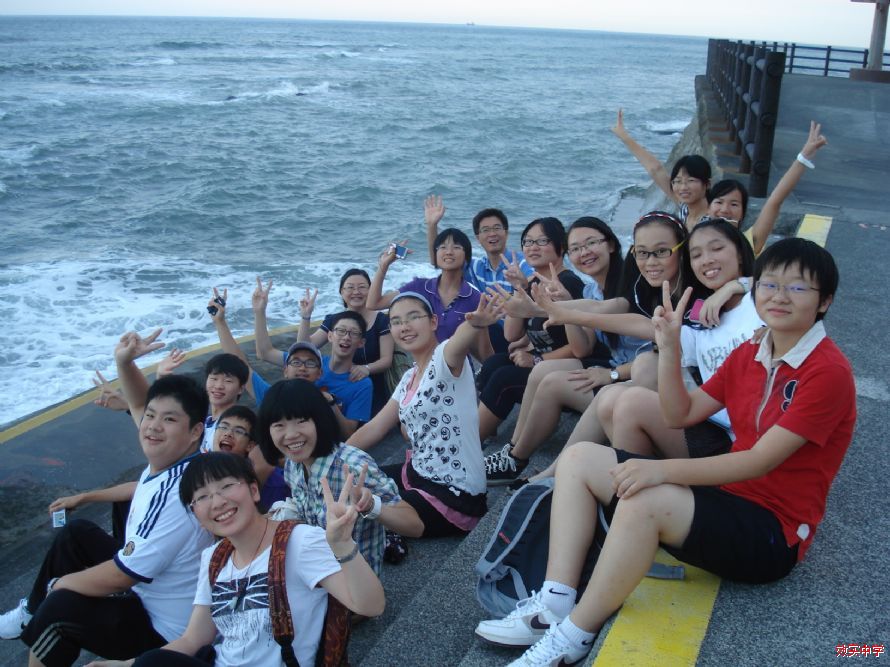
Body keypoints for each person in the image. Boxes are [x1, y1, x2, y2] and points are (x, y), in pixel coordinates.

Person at [473, 238, 855, 667]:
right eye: (769, 284)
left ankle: (574, 635)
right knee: (579, 459)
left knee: (644, 499)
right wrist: (670, 347)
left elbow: (759, 461)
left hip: (772, 533)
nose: (779, 296)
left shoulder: (827, 372)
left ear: (824, 301)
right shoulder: (754, 349)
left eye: (797, 287)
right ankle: (553, 603)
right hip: (727, 497)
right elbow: (680, 413)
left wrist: (660, 471)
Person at [0, 330, 214, 666]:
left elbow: (122, 576)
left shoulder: (178, 494)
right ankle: (31, 613)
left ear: (195, 432)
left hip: (164, 631)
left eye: (169, 419)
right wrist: (124, 362)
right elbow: (140, 404)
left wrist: (59, 585)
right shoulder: (181, 457)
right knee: (77, 534)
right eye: (152, 417)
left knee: (59, 608)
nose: (152, 426)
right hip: (150, 588)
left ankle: (40, 615)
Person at [85, 452, 386, 667]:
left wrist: (342, 544)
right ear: (196, 514)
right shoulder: (214, 558)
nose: (217, 502)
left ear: (254, 490)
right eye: (202, 497)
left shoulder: (299, 541)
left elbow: (371, 606)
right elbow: (194, 638)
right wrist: (128, 664)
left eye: (227, 486)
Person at [348, 292, 502, 537]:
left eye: (413, 317)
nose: (404, 327)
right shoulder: (409, 377)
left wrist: (474, 324)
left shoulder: (444, 359)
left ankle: (377, 510)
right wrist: (335, 457)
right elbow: (375, 427)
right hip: (418, 471)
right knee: (352, 481)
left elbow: (457, 343)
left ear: (433, 322)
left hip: (454, 490)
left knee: (367, 506)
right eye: (396, 321)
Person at [607, 218, 760, 459]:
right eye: (696, 255)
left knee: (629, 401)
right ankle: (631, 478)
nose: (706, 259)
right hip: (720, 428)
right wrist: (667, 340)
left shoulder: (760, 300)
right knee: (615, 400)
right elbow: (656, 337)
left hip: (756, 441)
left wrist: (735, 286)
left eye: (717, 248)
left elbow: (790, 282)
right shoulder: (703, 317)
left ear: (740, 253)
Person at [256, 379, 422, 574]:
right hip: (317, 567)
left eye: (301, 421)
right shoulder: (293, 464)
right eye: (279, 425)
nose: (290, 434)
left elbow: (415, 526)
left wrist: (371, 506)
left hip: (355, 579)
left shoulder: (352, 467)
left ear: (320, 420)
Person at [475, 217, 586, 442]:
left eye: (542, 241)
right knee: (493, 364)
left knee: (504, 378)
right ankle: (487, 431)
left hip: (571, 369)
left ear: (561, 246)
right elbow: (511, 335)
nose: (533, 247)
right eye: (528, 241)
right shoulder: (533, 283)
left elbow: (582, 347)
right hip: (545, 364)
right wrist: (519, 287)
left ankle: (469, 445)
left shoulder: (568, 284)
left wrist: (537, 359)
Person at [209, 288, 370, 437]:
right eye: (296, 362)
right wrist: (221, 322)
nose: (302, 368)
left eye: (310, 363)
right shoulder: (274, 398)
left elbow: (348, 433)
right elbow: (243, 365)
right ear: (285, 369)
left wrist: (331, 403)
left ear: (320, 374)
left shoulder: (323, 404)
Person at [253, 272, 395, 416]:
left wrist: (366, 369)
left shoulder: (381, 321)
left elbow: (386, 359)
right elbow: (305, 348)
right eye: (350, 287)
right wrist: (305, 317)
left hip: (367, 388)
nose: (356, 292)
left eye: (362, 287)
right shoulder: (334, 322)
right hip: (338, 384)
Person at [423, 196, 535, 353]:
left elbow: (533, 281)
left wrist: (523, 284)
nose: (492, 234)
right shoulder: (476, 267)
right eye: (485, 230)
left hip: (519, 334)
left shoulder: (520, 262)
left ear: (506, 233)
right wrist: (432, 225)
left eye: (497, 228)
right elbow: (440, 261)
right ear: (478, 238)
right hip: (491, 332)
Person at [366, 224, 492, 362]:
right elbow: (374, 303)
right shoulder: (420, 287)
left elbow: (484, 356)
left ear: (466, 257)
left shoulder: (475, 299)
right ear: (435, 255)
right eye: (442, 247)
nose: (449, 252)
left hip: (458, 370)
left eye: (456, 247)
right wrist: (384, 266)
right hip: (424, 369)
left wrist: (481, 325)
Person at [707, 120, 828, 255]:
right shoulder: (694, 240)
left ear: (743, 213)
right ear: (708, 208)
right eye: (719, 202)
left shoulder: (748, 244)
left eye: (734, 204)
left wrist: (803, 158)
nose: (724, 210)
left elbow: (775, 201)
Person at [612, 108, 712, 228]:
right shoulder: (685, 209)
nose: (683, 187)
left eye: (691, 181)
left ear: (707, 184)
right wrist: (624, 137)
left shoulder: (713, 221)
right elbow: (656, 170)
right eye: (678, 181)